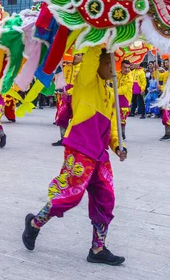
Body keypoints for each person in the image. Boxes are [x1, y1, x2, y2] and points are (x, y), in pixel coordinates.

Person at [21, 47, 127, 266]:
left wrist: (117, 146)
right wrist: (102, 35)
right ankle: (34, 224)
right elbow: (91, 56)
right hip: (80, 148)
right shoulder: (86, 81)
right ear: (97, 63)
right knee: (70, 196)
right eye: (109, 63)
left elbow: (112, 126)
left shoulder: (109, 91)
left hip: (99, 153)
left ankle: (97, 249)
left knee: (106, 199)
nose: (113, 69)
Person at [53, 53, 83, 146]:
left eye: (78, 55)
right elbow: (60, 78)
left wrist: (70, 91)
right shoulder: (66, 66)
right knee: (62, 115)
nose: (75, 56)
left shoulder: (84, 68)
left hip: (77, 96)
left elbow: (82, 85)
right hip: (65, 95)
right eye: (74, 54)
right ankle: (63, 138)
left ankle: (76, 139)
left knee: (77, 118)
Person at [117, 60, 133, 140]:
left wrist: (113, 91)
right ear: (121, 67)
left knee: (122, 117)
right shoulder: (117, 74)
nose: (127, 69)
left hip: (125, 99)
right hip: (116, 97)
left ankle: (122, 134)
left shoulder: (130, 77)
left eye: (128, 67)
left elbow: (124, 89)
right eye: (125, 67)